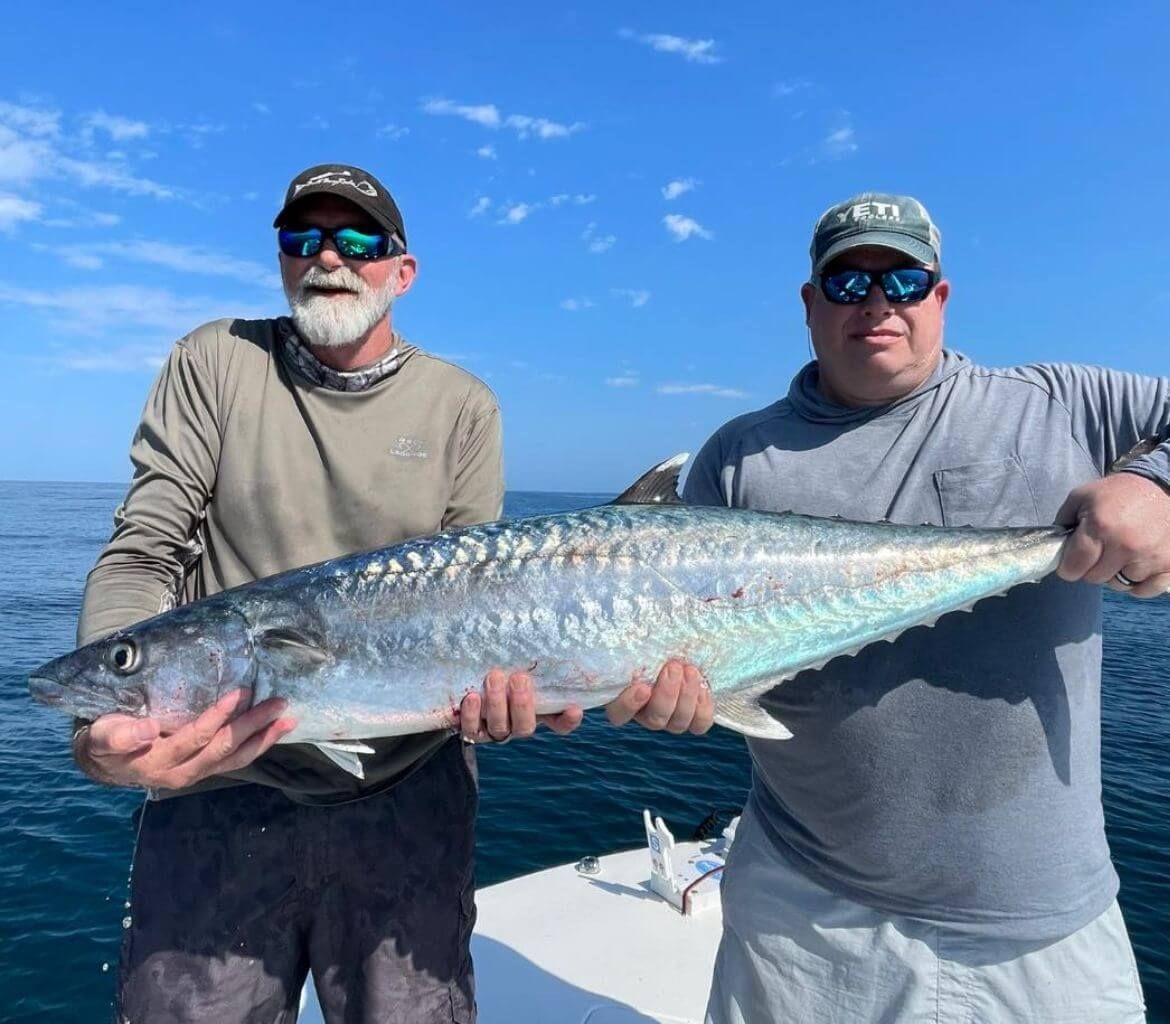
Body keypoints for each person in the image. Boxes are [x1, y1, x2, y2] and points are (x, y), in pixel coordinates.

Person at [70, 162, 712, 1024]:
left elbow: (489, 601)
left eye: (358, 239)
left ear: (401, 270)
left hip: (410, 794)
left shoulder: (461, 406)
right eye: (304, 237)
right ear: (282, 258)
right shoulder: (214, 362)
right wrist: (105, 718)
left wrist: (550, 685)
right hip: (218, 791)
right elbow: (145, 548)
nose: (329, 257)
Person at [683, 192, 1168, 1023]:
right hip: (796, 913)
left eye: (903, 279)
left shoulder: (1062, 401)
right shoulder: (738, 453)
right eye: (846, 281)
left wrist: (1155, 484)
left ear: (939, 298)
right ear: (809, 304)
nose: (876, 301)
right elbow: (686, 651)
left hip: (1033, 931)